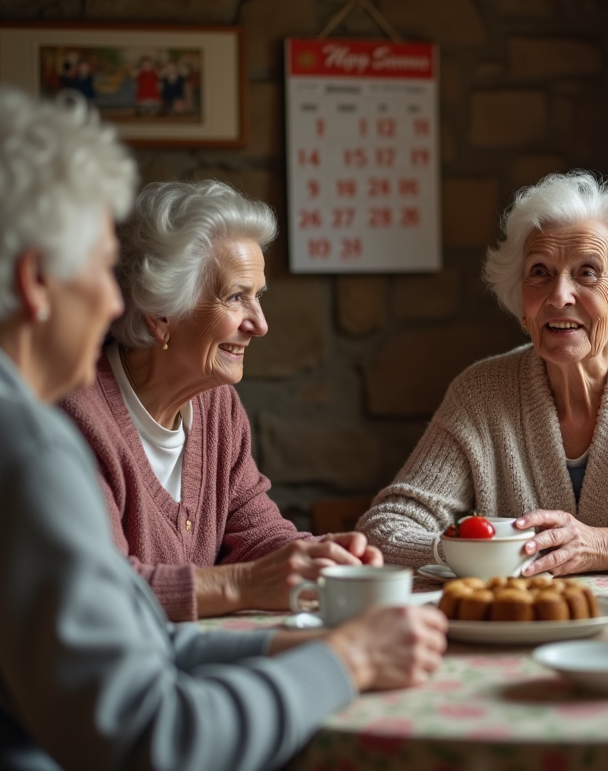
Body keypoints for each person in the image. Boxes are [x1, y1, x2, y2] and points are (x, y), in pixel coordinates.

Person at [0, 84, 446, 771]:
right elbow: (154, 739)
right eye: (103, 270)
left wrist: (293, 641)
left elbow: (134, 643)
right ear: (36, 281)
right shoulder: (23, 445)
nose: (117, 300)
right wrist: (345, 661)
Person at [358, 172, 608, 576]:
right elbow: (382, 529)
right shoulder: (480, 392)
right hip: (518, 627)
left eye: (587, 272)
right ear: (522, 308)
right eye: (540, 272)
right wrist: (475, 552)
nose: (559, 295)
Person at [59, 179, 380, 622]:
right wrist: (243, 584)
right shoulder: (79, 414)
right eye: (235, 297)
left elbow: (257, 535)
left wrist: (317, 557)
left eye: (258, 297)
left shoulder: (217, 407)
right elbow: (100, 592)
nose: (260, 324)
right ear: (159, 314)